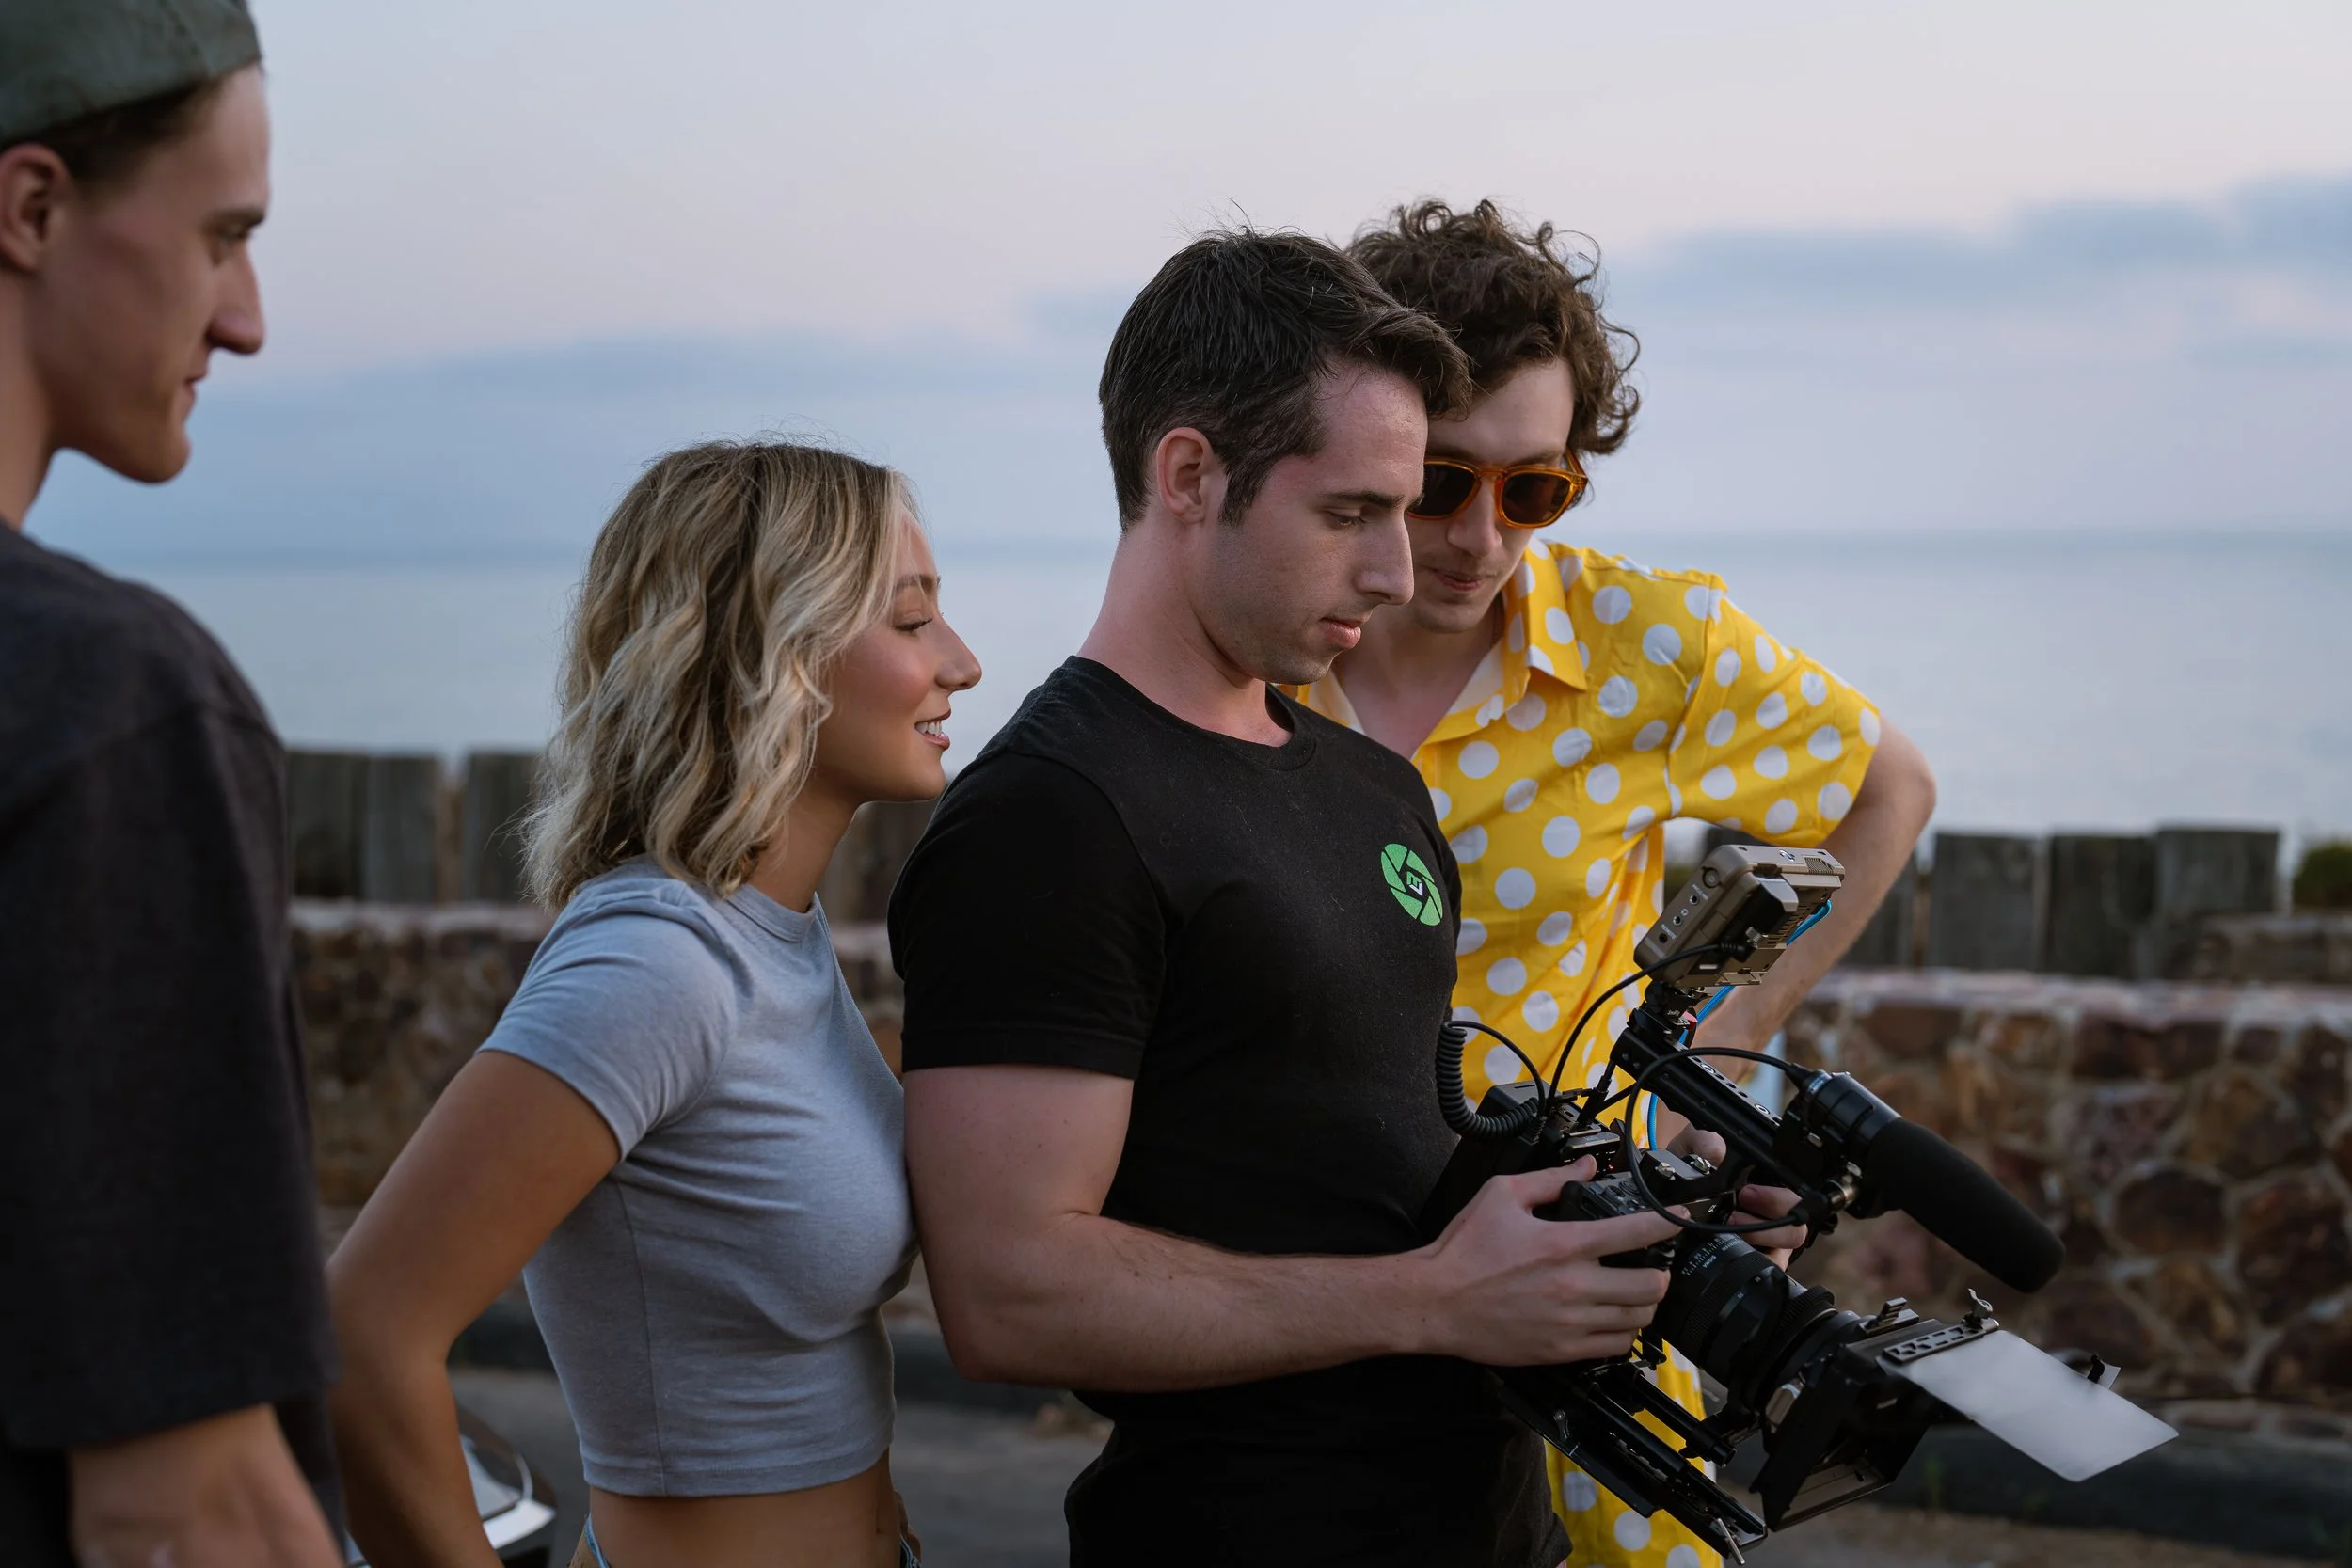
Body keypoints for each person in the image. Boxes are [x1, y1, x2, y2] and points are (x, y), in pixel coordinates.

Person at [890, 230, 1711, 1568]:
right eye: (1351, 512)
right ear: (1190, 474)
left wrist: (1633, 1214)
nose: (1397, 570)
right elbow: (1008, 1292)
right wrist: (1432, 1299)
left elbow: (1363, 1164)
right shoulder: (1051, 815)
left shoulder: (1367, 787)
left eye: (1405, 508)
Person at [1305, 198, 1939, 1568]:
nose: (1482, 536)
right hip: (1319, 1276)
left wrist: (1726, 1038)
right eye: (1439, 482)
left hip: (1584, 1276)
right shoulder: (1263, 640)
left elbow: (1889, 790)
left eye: (1535, 487)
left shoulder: (1651, 645)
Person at [327, 441, 979, 1568]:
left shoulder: (775, 934)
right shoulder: (656, 963)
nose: (961, 663)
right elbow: (360, 1331)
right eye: (913, 620)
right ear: (774, 646)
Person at [0, 4, 349, 1565]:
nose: (248, 317)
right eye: (223, 236)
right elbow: (182, 1504)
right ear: (31, 208)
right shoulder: (105, 710)